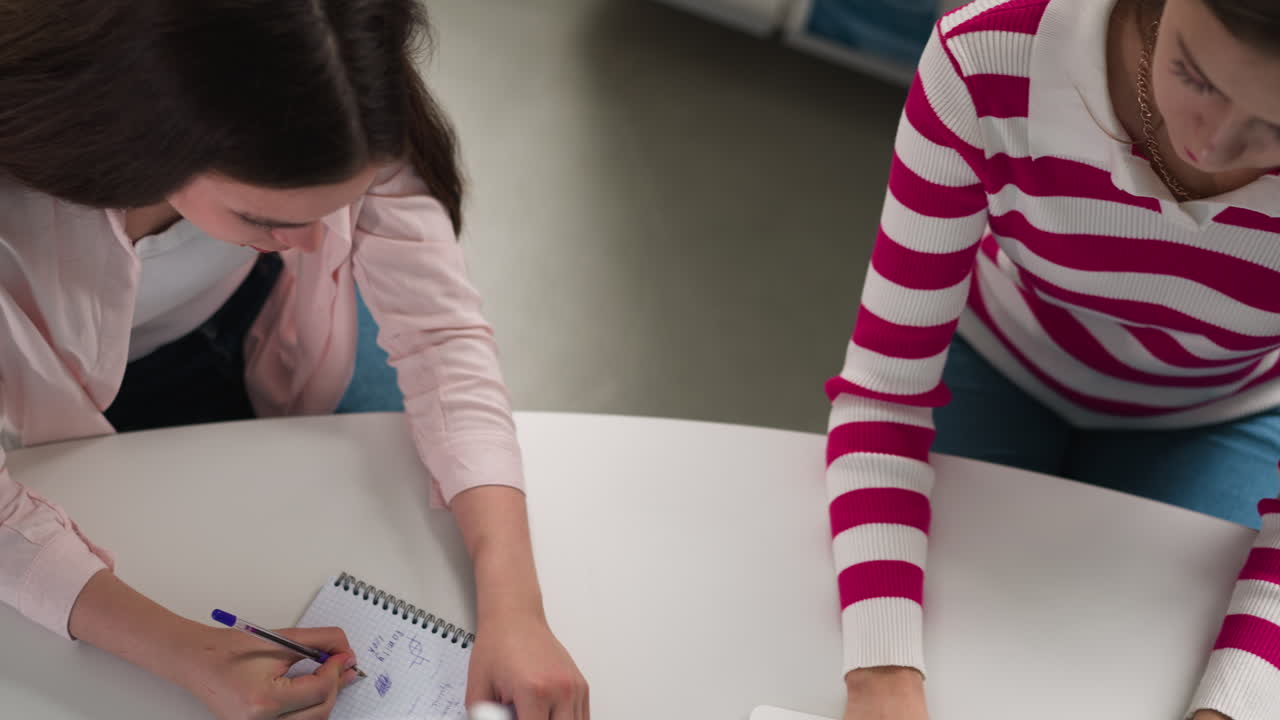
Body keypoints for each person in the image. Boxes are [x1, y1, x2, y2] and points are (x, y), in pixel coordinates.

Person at [0, 1, 588, 718]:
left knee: (406, 508)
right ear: (144, 134)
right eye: (269, 219)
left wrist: (516, 606)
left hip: (281, 325)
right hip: (86, 394)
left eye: (346, 202)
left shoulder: (332, 80)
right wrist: (188, 653)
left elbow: (441, 339)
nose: (321, 244)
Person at [825, 1, 1280, 719]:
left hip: (1220, 411)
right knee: (928, 632)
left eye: (1277, 126)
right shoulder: (987, 55)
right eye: (1194, 76)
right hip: (995, 360)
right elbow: (885, 393)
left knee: (1141, 678)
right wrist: (880, 677)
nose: (1212, 147)